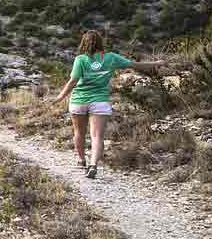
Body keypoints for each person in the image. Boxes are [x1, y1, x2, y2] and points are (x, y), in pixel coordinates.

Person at [50, 30, 164, 179]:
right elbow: (136, 65)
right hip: (100, 101)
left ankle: (81, 160)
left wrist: (59, 97)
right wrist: (157, 63)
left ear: (84, 43)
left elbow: (73, 81)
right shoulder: (111, 58)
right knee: (97, 136)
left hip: (79, 100)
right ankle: (93, 165)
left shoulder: (80, 59)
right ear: (100, 42)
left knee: (79, 133)